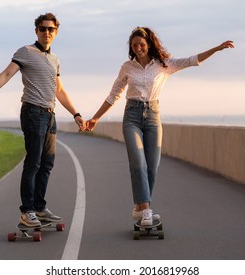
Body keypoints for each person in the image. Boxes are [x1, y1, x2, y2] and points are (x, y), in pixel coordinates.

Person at [86, 27, 234, 226]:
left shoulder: (164, 65)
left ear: (149, 45)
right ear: (131, 47)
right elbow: (113, 95)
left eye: (142, 45)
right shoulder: (127, 67)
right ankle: (146, 210)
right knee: (138, 162)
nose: (138, 48)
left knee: (152, 166)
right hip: (132, 117)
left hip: (153, 117)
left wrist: (216, 48)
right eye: (134, 45)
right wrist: (95, 118)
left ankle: (139, 208)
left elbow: (192, 60)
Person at [0, 13, 85, 227]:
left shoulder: (54, 59)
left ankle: (39, 208)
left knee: (47, 163)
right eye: (42, 29)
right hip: (33, 113)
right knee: (34, 161)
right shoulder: (26, 52)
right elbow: (7, 74)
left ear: (56, 32)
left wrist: (76, 114)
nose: (46, 32)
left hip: (50, 115)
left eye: (51, 29)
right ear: (36, 31)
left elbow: (59, 91)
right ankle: (27, 211)